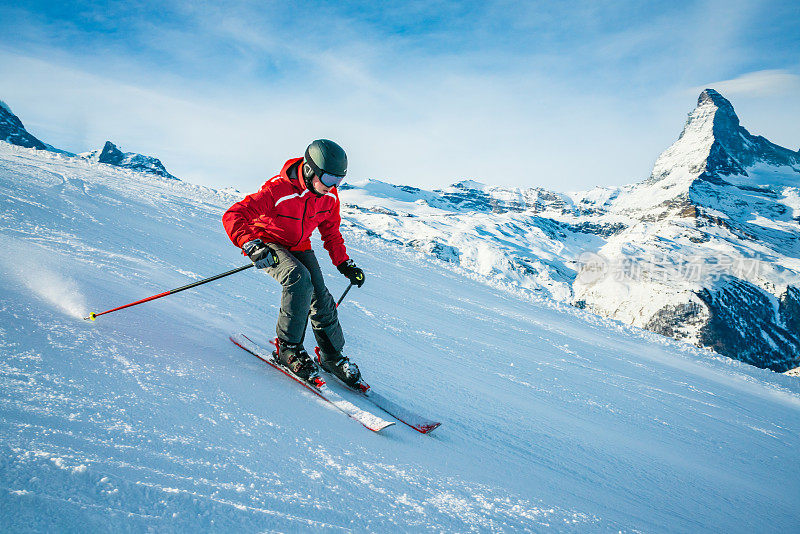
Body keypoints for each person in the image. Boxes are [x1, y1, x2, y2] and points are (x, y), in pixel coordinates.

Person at [222, 139, 365, 386]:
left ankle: (332, 356)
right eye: (330, 179)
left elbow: (331, 234)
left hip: (299, 246)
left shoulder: (329, 196)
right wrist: (251, 244)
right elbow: (233, 215)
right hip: (268, 244)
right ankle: (288, 348)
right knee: (298, 280)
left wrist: (344, 264)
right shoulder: (277, 190)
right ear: (310, 170)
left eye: (339, 181)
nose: (333, 186)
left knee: (320, 296)